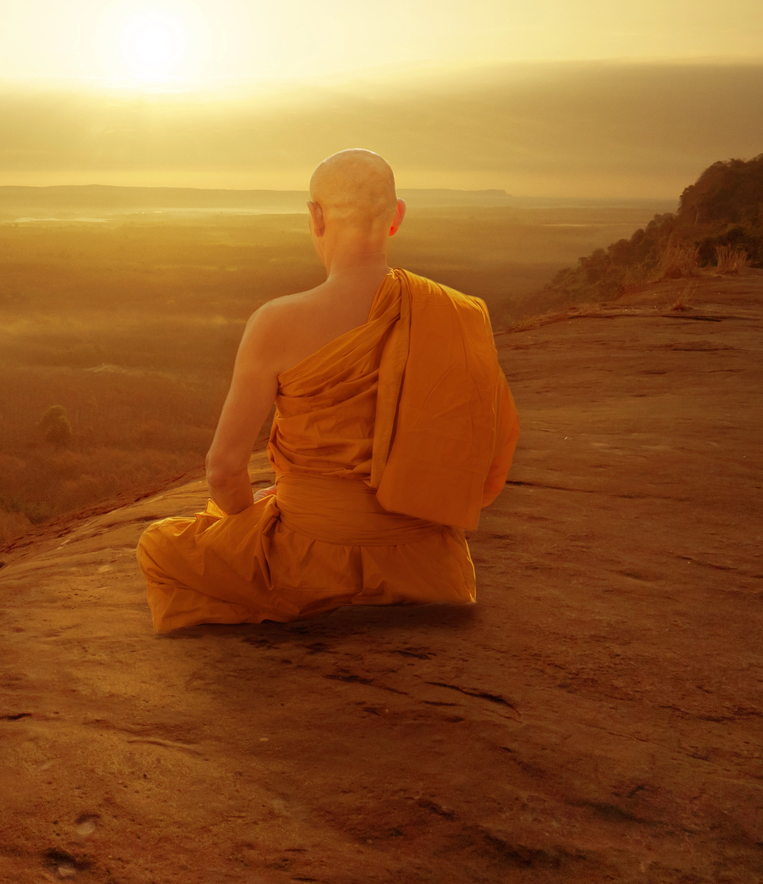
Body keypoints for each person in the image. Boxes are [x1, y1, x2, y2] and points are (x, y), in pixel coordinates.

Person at [136, 148, 519, 632]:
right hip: (429, 569)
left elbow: (224, 470)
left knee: (159, 544)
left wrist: (253, 526)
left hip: (308, 566)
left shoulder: (276, 322)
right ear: (396, 218)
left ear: (315, 218)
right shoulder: (460, 315)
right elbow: (484, 461)